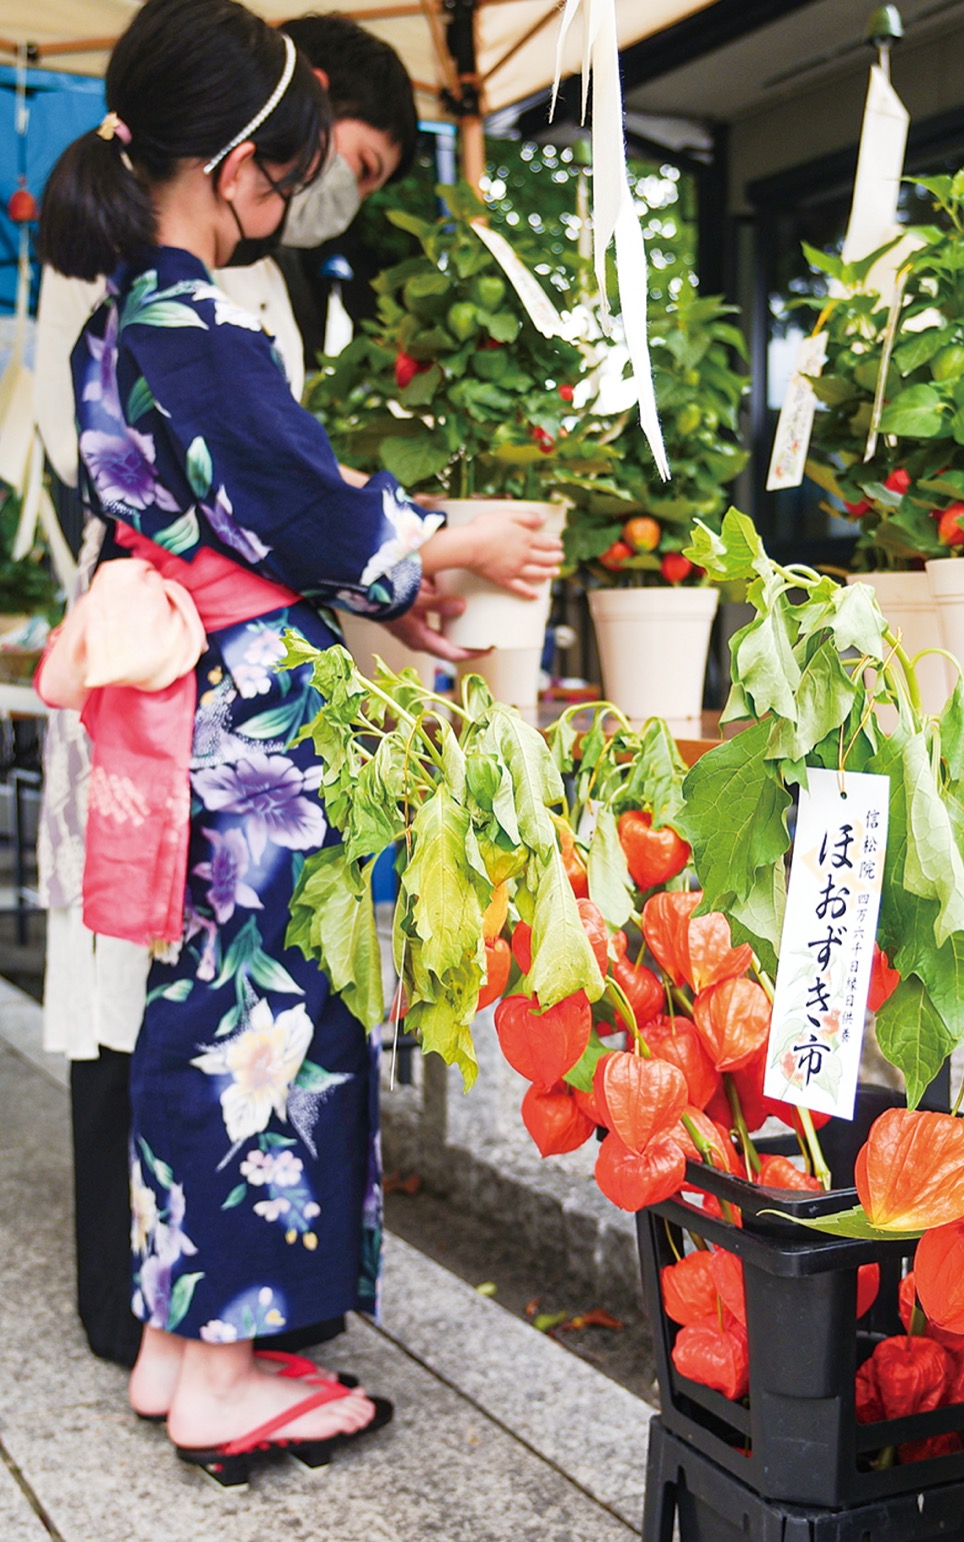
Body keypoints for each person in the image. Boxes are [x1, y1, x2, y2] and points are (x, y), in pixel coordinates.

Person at [37, 0, 560, 1484]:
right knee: (263, 1026)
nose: (293, 198)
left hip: (196, 702)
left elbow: (259, 509)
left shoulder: (131, 317)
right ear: (234, 165)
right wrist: (457, 538)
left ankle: (176, 1337)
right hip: (251, 726)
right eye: (288, 166)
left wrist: (403, 574)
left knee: (203, 1011)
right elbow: (306, 511)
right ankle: (217, 1365)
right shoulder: (193, 317)